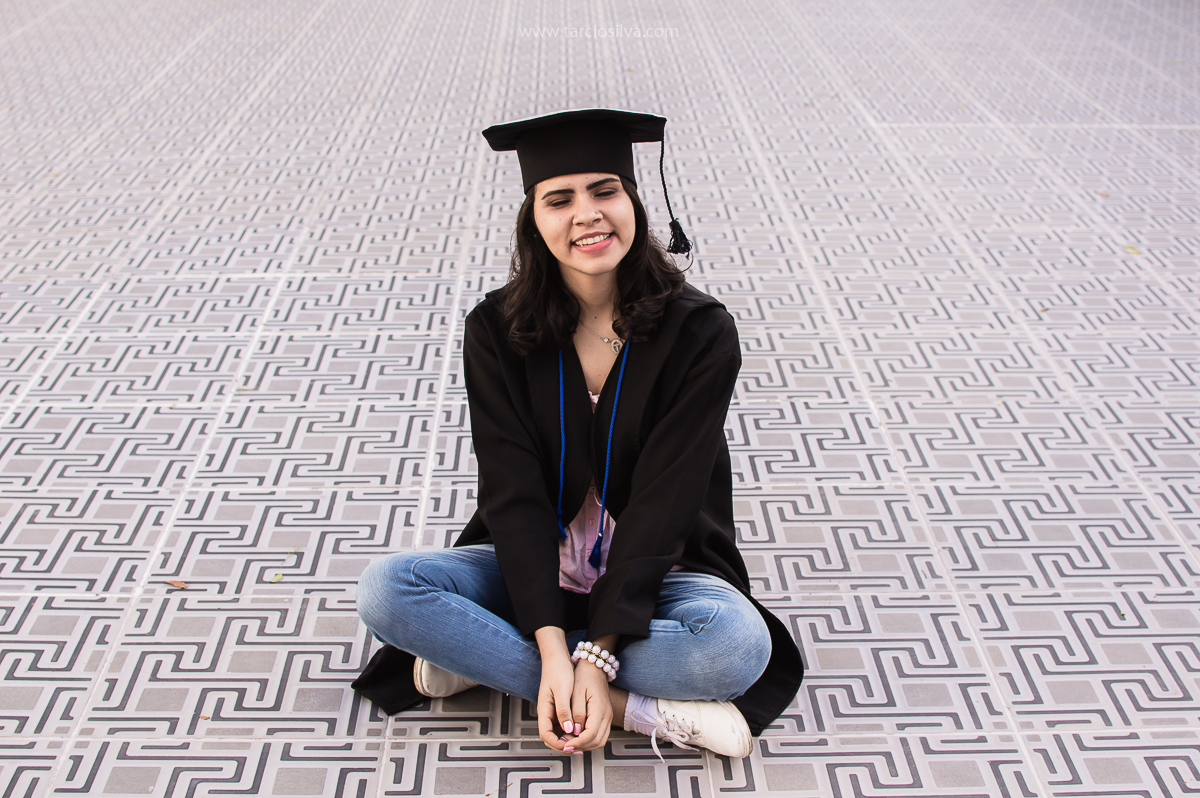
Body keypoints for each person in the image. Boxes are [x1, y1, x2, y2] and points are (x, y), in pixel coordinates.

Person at [353, 109, 803, 759]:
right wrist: (552, 645)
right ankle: (639, 710)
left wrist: (594, 660)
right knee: (387, 590)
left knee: (735, 646)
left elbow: (663, 505)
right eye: (559, 199)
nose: (587, 215)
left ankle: (486, 665)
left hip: (659, 572)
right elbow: (513, 494)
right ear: (534, 220)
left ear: (635, 203)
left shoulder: (699, 332)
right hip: (536, 571)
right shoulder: (496, 330)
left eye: (605, 191)